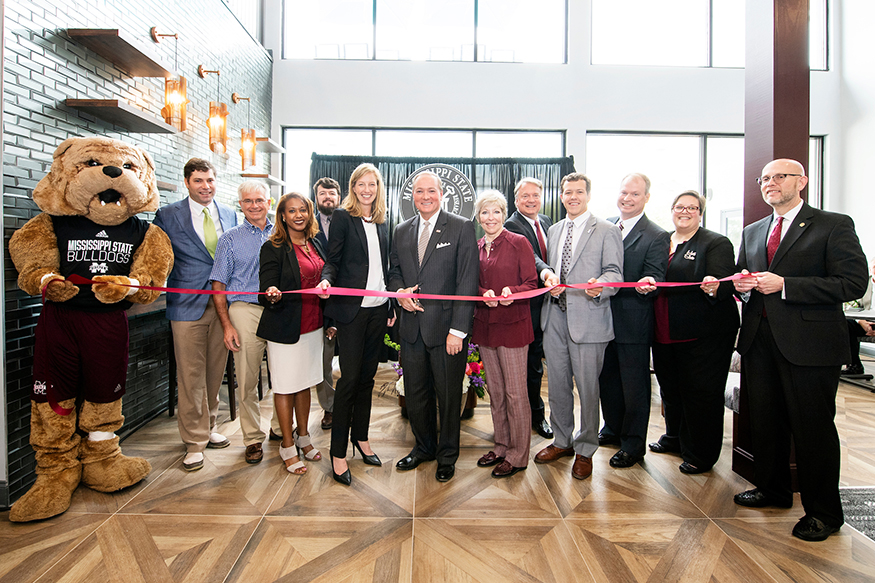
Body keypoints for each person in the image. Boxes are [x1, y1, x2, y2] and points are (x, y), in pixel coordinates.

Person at [733, 158, 868, 542]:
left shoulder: (832, 225)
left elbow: (852, 283)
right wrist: (739, 285)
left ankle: (824, 513)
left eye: (780, 176)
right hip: (760, 342)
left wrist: (787, 285)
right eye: (765, 178)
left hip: (810, 348)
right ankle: (773, 490)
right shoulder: (754, 230)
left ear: (802, 181)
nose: (771, 183)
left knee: (812, 431)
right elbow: (744, 273)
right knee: (766, 423)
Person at [388, 170, 479, 483]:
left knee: (450, 396)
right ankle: (423, 447)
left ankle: (447, 455)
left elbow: (468, 281)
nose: (425, 197)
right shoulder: (401, 230)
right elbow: (394, 272)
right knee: (415, 394)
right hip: (411, 329)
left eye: (431, 191)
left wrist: (459, 330)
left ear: (443, 195)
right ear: (412, 196)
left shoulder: (462, 227)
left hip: (446, 332)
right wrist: (399, 293)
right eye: (418, 191)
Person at [534, 172, 623, 481]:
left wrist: (602, 284)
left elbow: (615, 272)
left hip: (589, 319)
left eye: (579, 192)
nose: (573, 197)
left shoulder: (608, 230)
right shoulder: (555, 230)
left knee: (587, 388)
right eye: (568, 192)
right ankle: (562, 441)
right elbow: (554, 269)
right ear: (561, 196)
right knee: (557, 385)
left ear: (588, 195)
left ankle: (585, 448)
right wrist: (551, 281)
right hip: (555, 317)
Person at [153, 158, 238, 472]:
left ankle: (209, 426)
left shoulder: (230, 214)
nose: (206, 186)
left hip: (223, 305)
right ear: (187, 182)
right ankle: (193, 442)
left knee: (215, 371)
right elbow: (157, 255)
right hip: (186, 302)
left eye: (210, 180)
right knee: (190, 375)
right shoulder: (167, 215)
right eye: (199, 181)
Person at [648, 191, 739, 475]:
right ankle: (674, 438)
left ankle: (701, 454)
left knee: (701, 395)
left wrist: (715, 285)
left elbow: (725, 284)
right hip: (664, 331)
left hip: (704, 335)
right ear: (671, 210)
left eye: (692, 207)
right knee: (671, 390)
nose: (685, 211)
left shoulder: (715, 243)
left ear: (700, 212)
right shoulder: (662, 241)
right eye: (679, 207)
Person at [318, 164, 394, 486]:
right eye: (361, 184)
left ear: (378, 188)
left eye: (372, 184)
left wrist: (390, 302)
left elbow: (385, 268)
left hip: (378, 310)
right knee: (349, 380)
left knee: (367, 378)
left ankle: (361, 439)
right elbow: (332, 261)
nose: (366, 190)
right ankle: (338, 453)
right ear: (353, 187)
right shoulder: (342, 219)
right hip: (351, 311)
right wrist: (325, 281)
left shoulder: (383, 222)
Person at [597, 173, 669, 468]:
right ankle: (612, 428)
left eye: (635, 194)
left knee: (634, 385)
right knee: (608, 379)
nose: (627, 198)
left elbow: (656, 275)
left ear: (646, 198)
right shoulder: (605, 226)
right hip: (601, 317)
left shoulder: (656, 234)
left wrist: (649, 281)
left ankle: (633, 444)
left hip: (633, 320)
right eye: (624, 192)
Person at [257, 192, 331, 475]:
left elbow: (326, 279)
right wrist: (272, 294)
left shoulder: (315, 243)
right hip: (285, 328)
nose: (298, 215)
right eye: (292, 211)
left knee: (306, 384)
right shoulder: (273, 247)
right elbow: (266, 289)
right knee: (286, 386)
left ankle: (304, 437)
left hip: (313, 325)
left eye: (303, 210)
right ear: (282, 216)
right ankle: (287, 445)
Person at [472, 190, 539, 477]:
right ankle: (501, 445)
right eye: (485, 212)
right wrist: (480, 293)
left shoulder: (518, 242)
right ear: (478, 217)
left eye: (496, 212)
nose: (491, 218)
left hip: (513, 327)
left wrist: (515, 292)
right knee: (496, 392)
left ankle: (518, 454)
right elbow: (469, 285)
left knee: (515, 393)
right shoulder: (475, 247)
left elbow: (532, 282)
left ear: (503, 214)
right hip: (486, 328)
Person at [207, 181, 273, 465]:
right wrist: (227, 325)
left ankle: (283, 430)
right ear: (241, 205)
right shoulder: (229, 239)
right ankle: (252, 438)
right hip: (245, 309)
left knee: (285, 376)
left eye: (259, 200)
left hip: (281, 310)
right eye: (248, 201)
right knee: (247, 379)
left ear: (269, 203)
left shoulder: (283, 233)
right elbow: (218, 285)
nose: (254, 205)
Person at [504, 177, 554, 439]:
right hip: (527, 306)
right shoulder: (513, 224)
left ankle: (536, 413)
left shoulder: (545, 222)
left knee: (538, 364)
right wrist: (547, 272)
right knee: (532, 365)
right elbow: (532, 258)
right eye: (525, 196)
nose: (531, 200)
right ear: (516, 200)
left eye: (535, 195)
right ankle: (534, 417)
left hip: (548, 304)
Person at [313, 177, 341, 430]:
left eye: (331, 194)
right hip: (320, 306)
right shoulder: (308, 227)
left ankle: (349, 406)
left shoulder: (349, 221)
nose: (327, 198)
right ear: (317, 198)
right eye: (323, 194)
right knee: (324, 362)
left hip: (352, 302)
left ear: (339, 197)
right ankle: (329, 408)